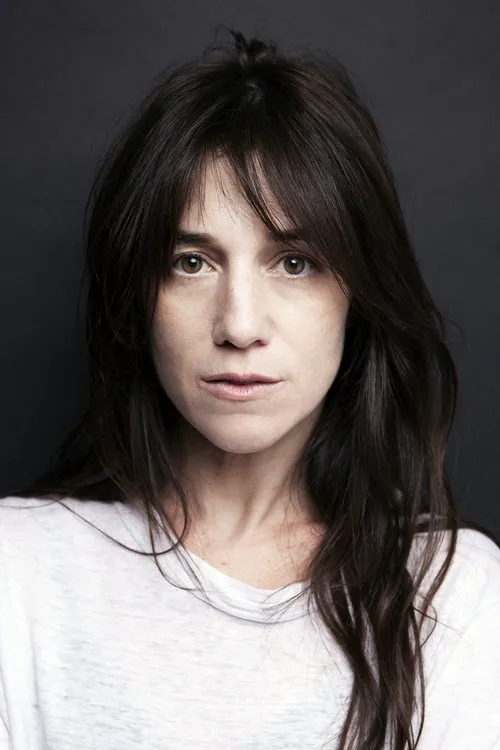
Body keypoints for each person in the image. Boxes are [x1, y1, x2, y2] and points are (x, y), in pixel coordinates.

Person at [1, 26, 499, 750]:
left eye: (295, 263)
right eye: (191, 262)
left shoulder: (454, 596)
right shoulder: (19, 571)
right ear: (138, 298)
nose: (238, 325)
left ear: (357, 297)